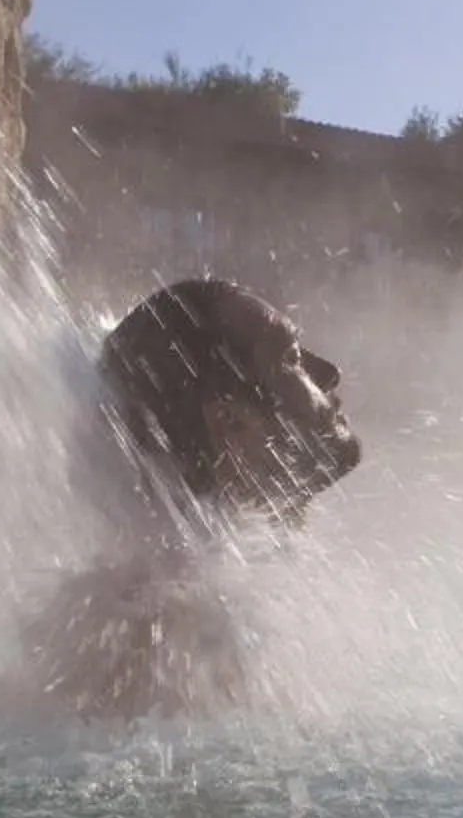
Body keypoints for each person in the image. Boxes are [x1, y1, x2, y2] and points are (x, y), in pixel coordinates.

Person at [24, 278, 362, 716]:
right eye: (291, 358)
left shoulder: (191, 598)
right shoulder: (170, 641)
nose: (329, 372)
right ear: (228, 420)